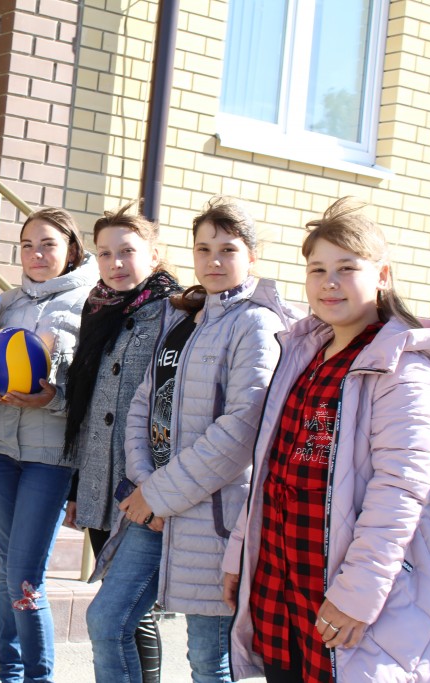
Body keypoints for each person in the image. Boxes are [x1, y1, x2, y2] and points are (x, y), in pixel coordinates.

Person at [224, 198, 430, 681]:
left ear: (381, 275)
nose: (329, 282)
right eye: (318, 270)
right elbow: (270, 468)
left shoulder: (401, 371)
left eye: (347, 268)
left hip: (348, 600)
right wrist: (242, 551)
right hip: (279, 583)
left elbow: (400, 492)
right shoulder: (302, 355)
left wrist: (357, 595)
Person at [88, 197, 299, 683]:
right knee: (107, 620)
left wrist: (159, 495)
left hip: (213, 518)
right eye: (204, 249)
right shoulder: (188, 317)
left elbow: (239, 432)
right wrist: (145, 483)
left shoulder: (257, 324)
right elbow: (144, 405)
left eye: (228, 250)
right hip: (154, 507)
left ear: (252, 256)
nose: (214, 261)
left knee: (208, 658)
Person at [0, 208, 97, 683]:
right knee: (7, 569)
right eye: (27, 245)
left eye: (48, 244)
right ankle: (8, 674)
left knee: (25, 575)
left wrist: (55, 397)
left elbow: (92, 390)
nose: (36, 254)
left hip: (50, 457)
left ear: (72, 249)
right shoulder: (7, 303)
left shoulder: (92, 304)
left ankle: (37, 678)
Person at [63, 203, 182, 683]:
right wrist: (78, 488)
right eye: (105, 253)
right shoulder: (98, 308)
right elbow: (88, 405)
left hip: (144, 485)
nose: (115, 263)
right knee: (118, 603)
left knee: (132, 610)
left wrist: (162, 488)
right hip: (100, 480)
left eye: (127, 251)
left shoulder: (177, 312)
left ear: (153, 254)